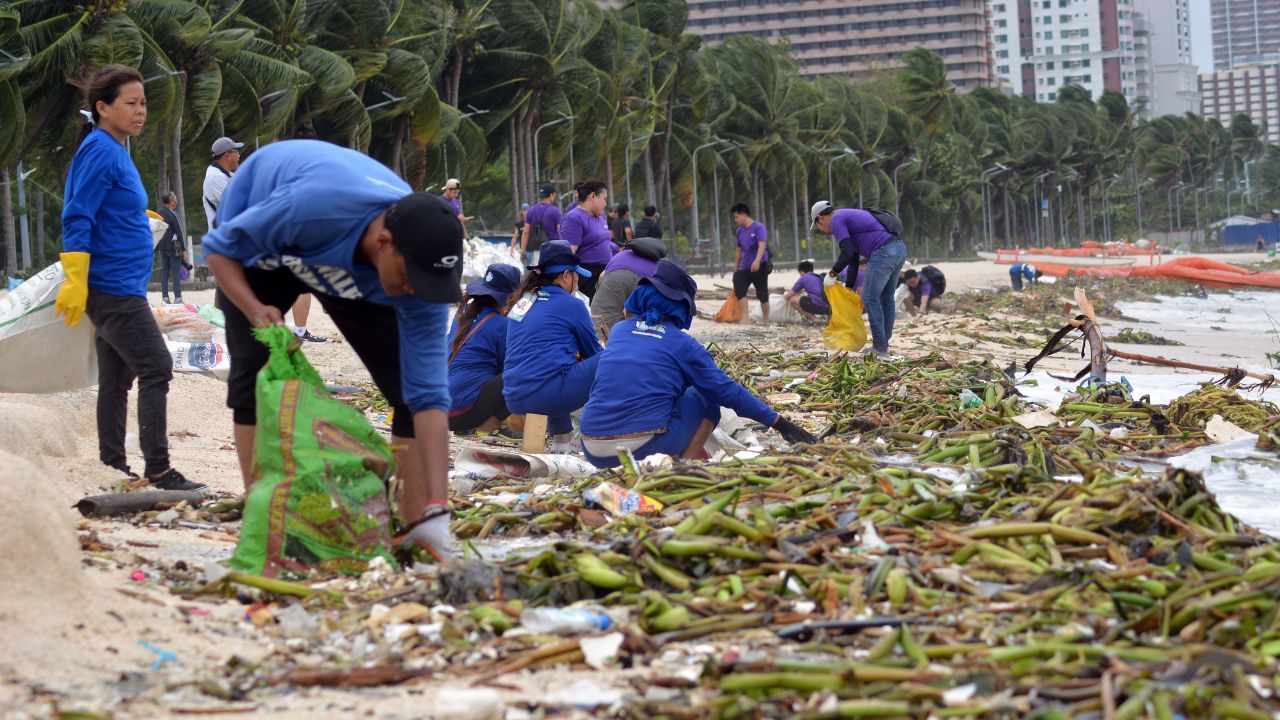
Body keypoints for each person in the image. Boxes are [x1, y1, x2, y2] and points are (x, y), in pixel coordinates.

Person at [201, 140, 464, 561]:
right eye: (412, 276)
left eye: (428, 282)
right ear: (384, 240)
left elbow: (431, 395)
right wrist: (254, 309)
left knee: (407, 391)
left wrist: (440, 506)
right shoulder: (312, 208)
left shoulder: (419, 284)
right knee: (251, 376)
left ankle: (418, 524)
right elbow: (217, 248)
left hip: (354, 269)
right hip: (268, 247)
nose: (417, 289)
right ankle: (265, 526)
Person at [57, 64, 203, 491]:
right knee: (157, 366)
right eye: (131, 103)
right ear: (103, 107)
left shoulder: (115, 148)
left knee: (118, 378)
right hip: (111, 287)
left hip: (120, 284)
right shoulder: (101, 149)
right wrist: (76, 278)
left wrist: (140, 218)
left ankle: (110, 466)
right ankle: (158, 469)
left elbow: (107, 208)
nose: (141, 111)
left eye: (143, 103)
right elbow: (77, 214)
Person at [580, 260, 817, 468]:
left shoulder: (620, 330)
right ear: (680, 306)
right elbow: (726, 390)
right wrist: (780, 424)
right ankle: (685, 466)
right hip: (637, 449)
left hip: (592, 448)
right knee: (707, 398)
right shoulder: (682, 344)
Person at [502, 241, 601, 451]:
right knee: (612, 358)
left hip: (513, 397)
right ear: (566, 275)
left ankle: (562, 439)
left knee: (555, 367)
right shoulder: (573, 305)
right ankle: (605, 431)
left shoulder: (524, 300)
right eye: (576, 275)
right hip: (545, 396)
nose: (577, 281)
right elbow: (593, 352)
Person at [810, 201, 907, 357]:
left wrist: (832, 274)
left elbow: (847, 252)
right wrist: (849, 288)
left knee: (869, 298)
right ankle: (882, 345)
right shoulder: (846, 216)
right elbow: (853, 258)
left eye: (818, 227)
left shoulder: (836, 220)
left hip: (883, 251)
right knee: (886, 298)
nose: (822, 231)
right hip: (899, 249)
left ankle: (880, 347)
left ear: (820, 219)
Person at [448, 263, 522, 437]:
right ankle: (488, 427)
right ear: (510, 297)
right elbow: (509, 366)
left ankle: (468, 426)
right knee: (523, 371)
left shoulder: (463, 314)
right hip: (462, 412)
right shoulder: (502, 324)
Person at [590, 236, 667, 340]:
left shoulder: (620, 256)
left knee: (602, 323)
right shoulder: (659, 266)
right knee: (638, 326)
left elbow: (602, 276)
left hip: (614, 277)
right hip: (645, 282)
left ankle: (603, 351)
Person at [559, 180, 613, 299]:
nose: (605, 204)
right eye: (604, 199)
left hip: (605, 272)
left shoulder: (600, 217)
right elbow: (569, 251)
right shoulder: (574, 217)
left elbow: (604, 242)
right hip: (587, 275)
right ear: (593, 196)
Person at [731, 203, 771, 326]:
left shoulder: (758, 227)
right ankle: (745, 319)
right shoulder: (739, 231)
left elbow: (762, 245)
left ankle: (766, 321)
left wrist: (757, 261)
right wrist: (736, 268)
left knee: (762, 294)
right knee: (740, 289)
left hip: (760, 265)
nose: (735, 220)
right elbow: (738, 250)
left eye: (737, 217)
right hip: (744, 266)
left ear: (744, 215)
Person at [202, 135, 242, 230]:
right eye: (236, 151)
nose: (239, 155)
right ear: (227, 155)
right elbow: (236, 205)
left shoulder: (228, 175)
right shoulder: (215, 177)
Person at [518, 184, 562, 267]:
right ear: (551, 195)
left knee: (539, 273)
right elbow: (560, 231)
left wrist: (523, 250)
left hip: (537, 249)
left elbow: (526, 232)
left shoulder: (531, 210)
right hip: (554, 249)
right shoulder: (556, 211)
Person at [156, 191, 186, 305]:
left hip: (162, 247)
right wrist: (183, 249)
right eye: (175, 199)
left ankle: (165, 298)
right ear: (171, 201)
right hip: (174, 247)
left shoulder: (158, 214)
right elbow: (179, 232)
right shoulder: (173, 214)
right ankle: (177, 297)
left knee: (164, 272)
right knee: (175, 272)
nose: (176, 200)